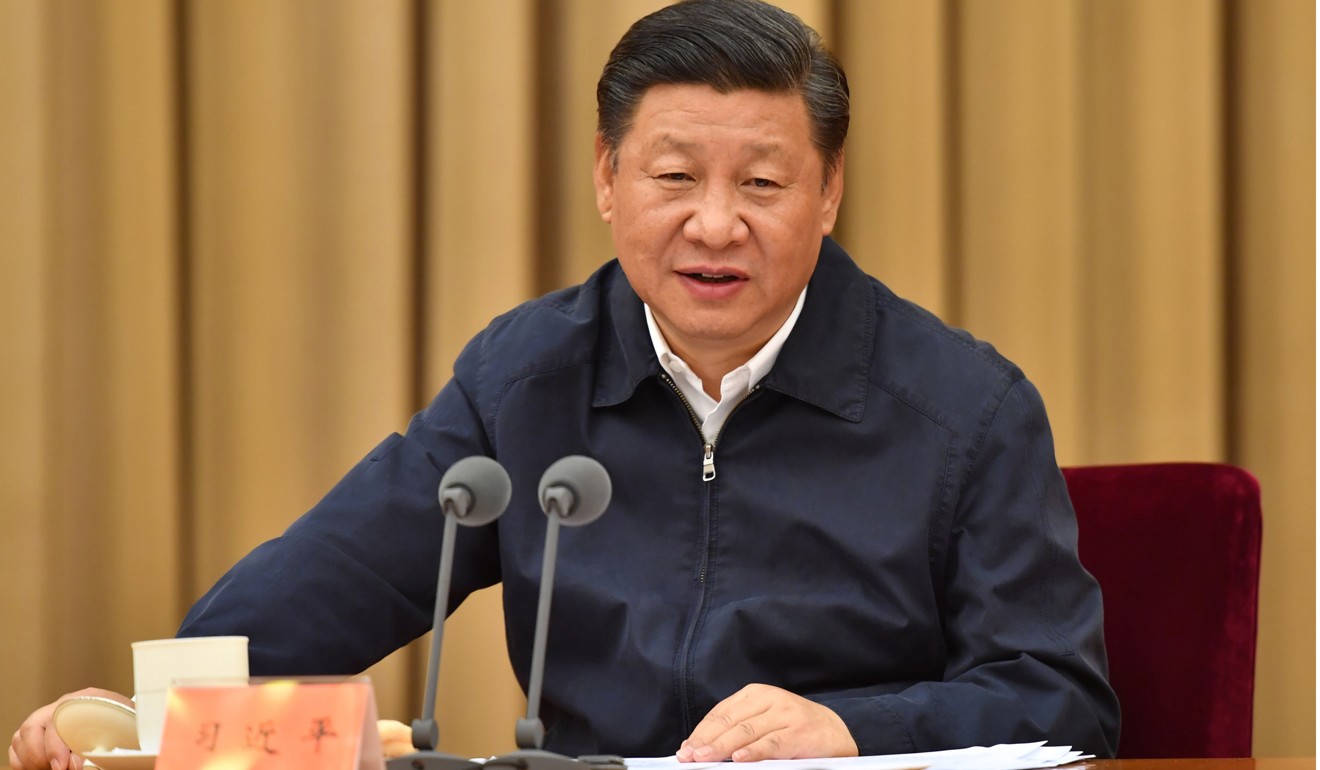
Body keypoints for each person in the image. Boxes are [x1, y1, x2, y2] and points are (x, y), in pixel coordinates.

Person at [10, 2, 1121, 768]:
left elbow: (1058, 696)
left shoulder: (963, 408)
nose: (715, 223)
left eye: (765, 182)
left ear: (829, 192)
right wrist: (133, 717)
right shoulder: (528, 380)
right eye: (675, 176)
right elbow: (321, 591)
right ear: (606, 177)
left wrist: (848, 727)